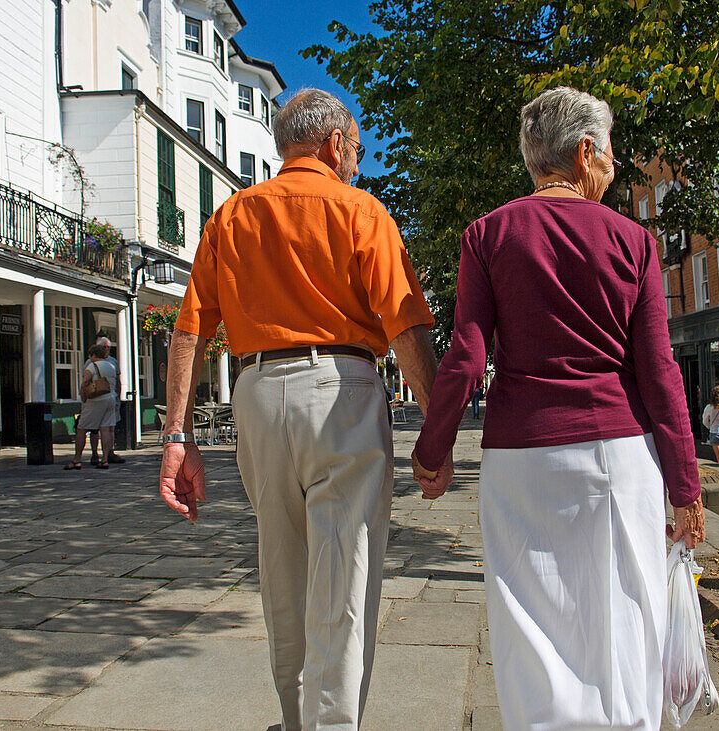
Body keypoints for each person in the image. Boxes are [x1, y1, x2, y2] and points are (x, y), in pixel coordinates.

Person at [412, 87, 705, 730]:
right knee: (625, 628)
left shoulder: (487, 235)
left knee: (531, 633)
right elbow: (658, 372)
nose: (613, 167)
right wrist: (685, 484)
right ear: (583, 151)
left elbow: (466, 353)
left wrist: (432, 452)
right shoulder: (633, 241)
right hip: (615, 454)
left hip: (520, 457)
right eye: (608, 155)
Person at [159, 89, 444, 729]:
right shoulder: (361, 212)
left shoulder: (232, 215)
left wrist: (176, 436)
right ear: (335, 145)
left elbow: (189, 331)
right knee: (342, 578)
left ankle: (296, 721)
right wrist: (435, 427)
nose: (358, 165)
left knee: (281, 575)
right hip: (341, 389)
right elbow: (404, 326)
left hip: (256, 392)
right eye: (358, 152)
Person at [65, 344, 119, 469]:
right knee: (105, 428)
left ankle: (77, 459)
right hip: (110, 398)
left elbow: (85, 382)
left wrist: (83, 397)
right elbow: (116, 382)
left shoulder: (92, 366)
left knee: (81, 428)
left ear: (93, 355)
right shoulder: (111, 366)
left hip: (96, 399)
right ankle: (104, 459)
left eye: (90, 355)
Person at [88, 336, 125, 464]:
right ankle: (95, 454)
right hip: (95, 399)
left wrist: (119, 397)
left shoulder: (113, 362)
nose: (107, 349)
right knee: (95, 428)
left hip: (111, 398)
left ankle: (109, 452)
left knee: (110, 428)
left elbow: (117, 381)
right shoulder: (90, 363)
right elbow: (85, 382)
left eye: (109, 347)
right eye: (104, 347)